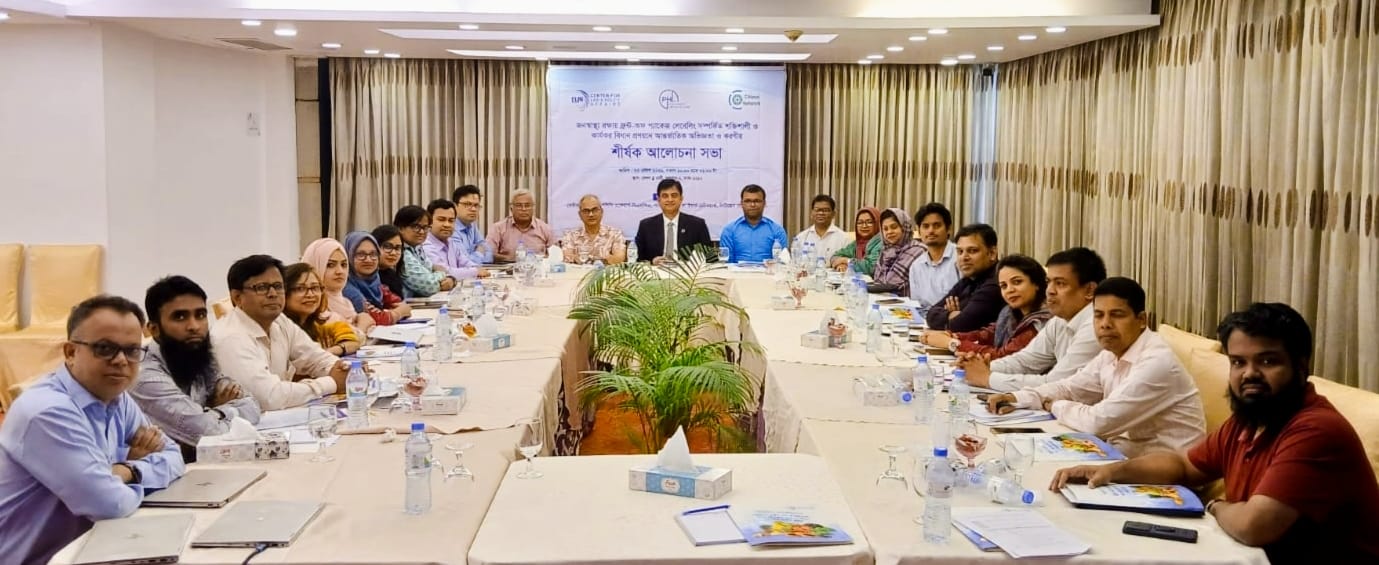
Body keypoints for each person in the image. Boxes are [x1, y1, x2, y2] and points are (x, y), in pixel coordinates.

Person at [1051, 303, 1379, 563]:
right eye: (1238, 362)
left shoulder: (1315, 430)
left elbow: (1254, 526)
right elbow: (1184, 465)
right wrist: (1112, 471)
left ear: (1301, 366)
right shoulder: (1252, 416)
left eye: (1267, 362)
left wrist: (1214, 506)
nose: (1249, 374)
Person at [0, 295, 185, 564]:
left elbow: (174, 455)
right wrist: (125, 473)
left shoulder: (117, 398)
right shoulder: (47, 411)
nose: (121, 360)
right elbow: (109, 505)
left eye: (132, 350)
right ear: (71, 352)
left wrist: (126, 469)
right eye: (105, 348)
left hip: (94, 548)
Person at [985, 277, 1206, 457]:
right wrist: (1017, 397)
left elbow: (1098, 422)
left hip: (1167, 478)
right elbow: (1070, 387)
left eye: (1117, 315)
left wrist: (1053, 405)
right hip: (1123, 458)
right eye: (1098, 315)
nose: (1105, 324)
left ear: (1141, 320)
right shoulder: (1111, 352)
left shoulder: (1156, 362)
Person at [132, 276, 262, 462]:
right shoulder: (145, 377)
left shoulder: (198, 356)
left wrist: (210, 413)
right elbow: (210, 434)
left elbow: (253, 405)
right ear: (154, 329)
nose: (194, 326)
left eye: (200, 315)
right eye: (180, 317)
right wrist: (216, 411)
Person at [211, 255, 351, 411]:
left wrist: (344, 370)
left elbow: (314, 357)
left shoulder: (279, 321)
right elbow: (268, 398)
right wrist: (331, 383)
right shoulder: (230, 337)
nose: (273, 294)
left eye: (278, 286)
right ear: (237, 297)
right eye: (261, 287)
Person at [956, 247, 1106, 390]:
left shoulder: (1096, 326)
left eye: (1060, 284)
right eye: (1048, 282)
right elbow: (1026, 361)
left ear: (1089, 290)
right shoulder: (1059, 320)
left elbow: (1057, 384)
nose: (1050, 291)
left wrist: (987, 378)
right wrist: (980, 366)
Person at [921, 254, 1052, 360]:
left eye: (1017, 282)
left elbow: (1003, 357)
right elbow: (987, 335)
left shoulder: (1042, 322)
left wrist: (952, 343)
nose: (1010, 290)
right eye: (1004, 286)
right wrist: (950, 335)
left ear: (1037, 283)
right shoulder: (1009, 313)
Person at [923, 223, 1004, 332]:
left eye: (972, 251)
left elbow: (961, 324)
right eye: (960, 252)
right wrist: (951, 314)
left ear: (992, 253)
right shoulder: (969, 279)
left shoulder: (997, 283)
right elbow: (931, 314)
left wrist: (957, 315)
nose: (964, 258)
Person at [282, 263, 362, 357]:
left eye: (315, 287)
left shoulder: (320, 328)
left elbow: (353, 343)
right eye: (300, 288)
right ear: (284, 293)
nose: (310, 294)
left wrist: (331, 351)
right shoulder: (280, 331)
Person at [301, 237, 375, 334]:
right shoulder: (311, 306)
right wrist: (362, 326)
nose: (340, 271)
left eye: (343, 265)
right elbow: (343, 339)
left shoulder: (346, 303)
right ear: (315, 266)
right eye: (330, 265)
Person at [633, 178, 713, 264]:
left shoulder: (697, 225)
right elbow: (638, 259)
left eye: (674, 195)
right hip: (655, 270)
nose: (670, 199)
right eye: (665, 196)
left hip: (688, 271)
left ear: (681, 198)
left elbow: (710, 257)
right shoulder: (646, 226)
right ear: (659, 200)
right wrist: (652, 262)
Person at [343, 230, 412, 326]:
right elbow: (376, 318)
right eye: (361, 255)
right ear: (349, 256)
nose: (368, 260)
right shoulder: (346, 287)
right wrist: (398, 313)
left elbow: (398, 303)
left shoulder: (375, 282)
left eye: (373, 254)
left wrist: (398, 311)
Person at [393, 205, 456, 297]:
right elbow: (429, 287)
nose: (422, 232)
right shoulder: (400, 252)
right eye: (416, 227)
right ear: (401, 228)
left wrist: (451, 279)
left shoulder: (417, 248)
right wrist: (442, 273)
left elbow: (432, 271)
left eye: (425, 227)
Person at [907, 202, 960, 309]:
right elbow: (917, 305)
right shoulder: (916, 267)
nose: (931, 231)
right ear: (918, 230)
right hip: (925, 317)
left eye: (937, 225)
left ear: (949, 228)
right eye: (925, 226)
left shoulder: (961, 257)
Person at [422, 198, 489, 280]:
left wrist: (476, 269)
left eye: (451, 221)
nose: (447, 225)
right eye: (441, 220)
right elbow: (444, 272)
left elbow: (466, 262)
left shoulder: (450, 242)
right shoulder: (425, 245)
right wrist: (475, 272)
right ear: (429, 221)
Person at [719, 184, 788, 263]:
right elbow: (726, 263)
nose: (752, 205)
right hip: (736, 271)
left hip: (769, 271)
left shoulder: (777, 231)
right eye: (748, 201)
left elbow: (782, 262)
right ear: (741, 203)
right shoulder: (729, 231)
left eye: (757, 201)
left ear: (764, 203)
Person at [486, 188, 556, 262]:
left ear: (533, 208)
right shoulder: (498, 228)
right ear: (511, 208)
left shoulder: (545, 229)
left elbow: (556, 254)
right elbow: (487, 253)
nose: (523, 209)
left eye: (527, 205)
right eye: (519, 205)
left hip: (538, 268)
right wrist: (510, 259)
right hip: (507, 268)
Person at [869, 208, 925, 293]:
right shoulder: (885, 251)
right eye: (885, 229)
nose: (889, 232)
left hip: (908, 300)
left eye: (894, 227)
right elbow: (878, 282)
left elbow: (892, 283)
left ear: (904, 227)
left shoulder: (918, 251)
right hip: (881, 299)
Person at [560, 194, 626, 264]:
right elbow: (568, 257)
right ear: (580, 214)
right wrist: (604, 259)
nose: (591, 214)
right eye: (586, 211)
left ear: (601, 212)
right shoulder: (570, 236)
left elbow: (619, 259)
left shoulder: (615, 234)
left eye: (595, 210)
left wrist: (585, 260)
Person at [829, 206, 882, 274]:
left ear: (877, 223)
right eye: (860, 223)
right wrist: (841, 265)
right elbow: (835, 256)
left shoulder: (881, 243)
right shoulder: (856, 244)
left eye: (869, 222)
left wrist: (846, 261)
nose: (864, 226)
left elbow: (870, 267)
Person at [795, 194, 848, 260]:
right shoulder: (801, 238)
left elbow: (848, 263)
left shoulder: (844, 239)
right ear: (812, 213)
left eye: (825, 210)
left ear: (833, 214)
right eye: (817, 210)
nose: (820, 213)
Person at [451, 184, 494, 264]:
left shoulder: (472, 225)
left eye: (476, 205)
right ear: (455, 206)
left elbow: (489, 255)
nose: (473, 209)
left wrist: (474, 255)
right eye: (467, 204)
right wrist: (479, 252)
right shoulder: (450, 228)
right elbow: (463, 263)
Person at [371, 224, 407, 299]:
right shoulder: (369, 278)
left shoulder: (392, 275)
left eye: (397, 248)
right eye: (387, 247)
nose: (393, 253)